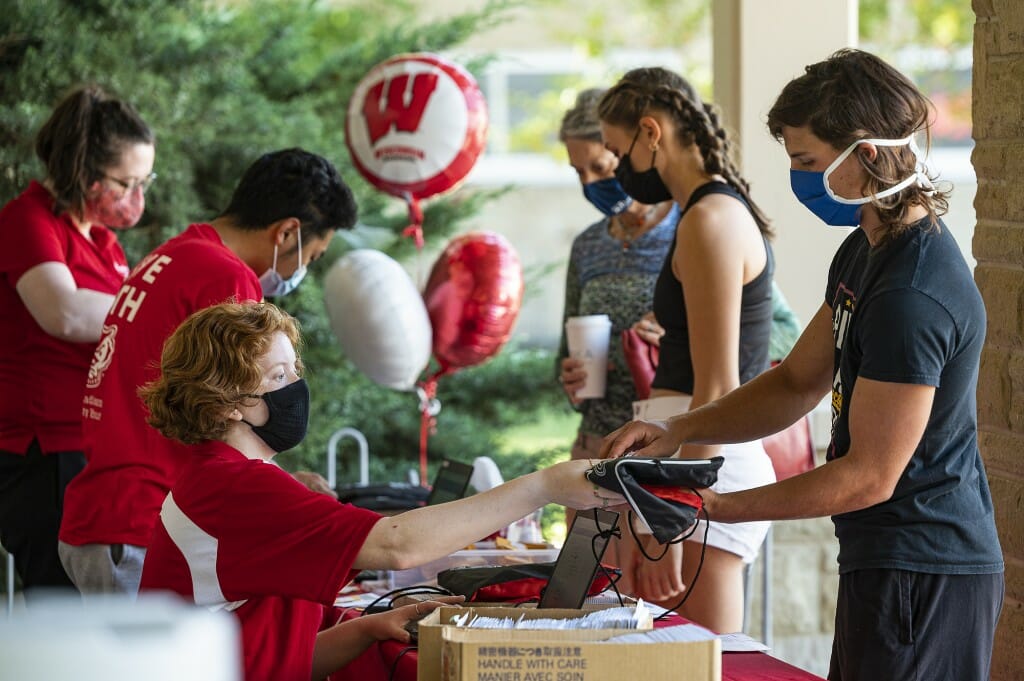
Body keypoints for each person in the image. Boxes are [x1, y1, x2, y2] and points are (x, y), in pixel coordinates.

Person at [601, 49, 1003, 681]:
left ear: (866, 156)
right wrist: (679, 430)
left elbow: (870, 475)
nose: (799, 180)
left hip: (924, 567)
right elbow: (796, 381)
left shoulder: (911, 292)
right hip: (883, 558)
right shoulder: (864, 251)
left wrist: (718, 508)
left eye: (807, 163)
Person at [138, 301, 620, 681]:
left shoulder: (219, 477)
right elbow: (397, 544)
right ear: (227, 404)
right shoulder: (235, 486)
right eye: (278, 378)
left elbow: (273, 662)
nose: (296, 389)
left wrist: (370, 628)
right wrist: (545, 484)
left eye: (295, 371)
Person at [58, 148, 348, 597]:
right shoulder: (227, 281)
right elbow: (235, 413)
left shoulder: (174, 256)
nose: (304, 269)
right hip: (143, 521)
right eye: (312, 254)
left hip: (107, 509)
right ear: (288, 232)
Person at [594, 67, 777, 634]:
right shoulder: (703, 214)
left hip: (702, 471)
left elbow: (719, 389)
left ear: (651, 133)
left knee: (704, 663)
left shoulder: (711, 218)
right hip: (680, 465)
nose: (617, 168)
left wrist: (670, 516)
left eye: (616, 151)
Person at [0, 85, 154, 595]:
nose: (136, 197)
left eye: (143, 181)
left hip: (93, 446)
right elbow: (63, 312)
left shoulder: (106, 243)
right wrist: (155, 308)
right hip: (43, 449)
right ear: (82, 170)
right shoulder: (29, 220)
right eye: (124, 182)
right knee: (60, 606)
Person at [556, 87, 677, 461]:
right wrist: (572, 378)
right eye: (579, 172)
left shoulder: (695, 229)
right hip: (595, 448)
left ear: (626, 155)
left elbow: (777, 332)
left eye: (600, 168)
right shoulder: (588, 245)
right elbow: (565, 352)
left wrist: (682, 340)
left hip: (667, 448)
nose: (588, 184)